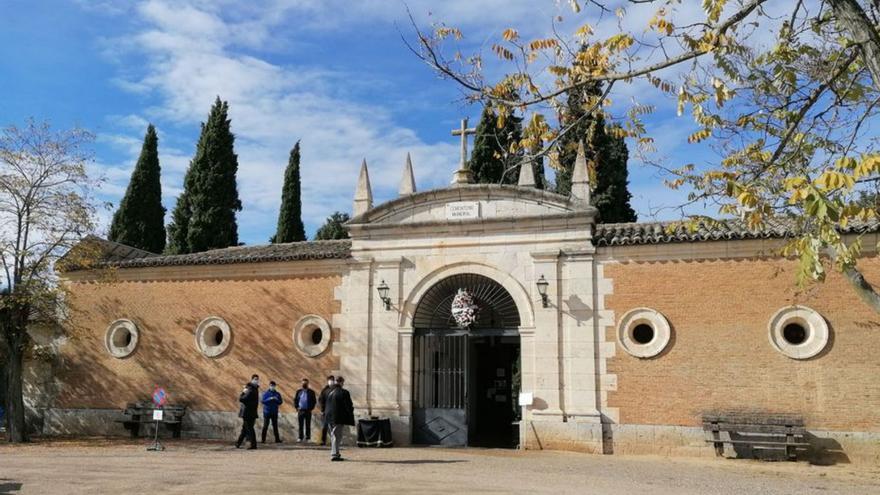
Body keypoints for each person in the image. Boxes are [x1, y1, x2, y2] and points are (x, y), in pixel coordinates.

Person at [323, 375, 354, 461]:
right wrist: (350, 413)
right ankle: (334, 454)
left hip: (328, 416)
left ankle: (335, 452)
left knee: (334, 435)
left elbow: (323, 402)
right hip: (338, 417)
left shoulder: (328, 391)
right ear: (341, 382)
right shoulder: (344, 392)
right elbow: (348, 406)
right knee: (337, 436)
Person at [236, 374, 260, 450]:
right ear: (252, 379)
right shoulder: (254, 388)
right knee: (246, 428)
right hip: (250, 412)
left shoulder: (250, 389)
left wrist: (243, 392)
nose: (256, 380)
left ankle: (252, 444)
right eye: (255, 379)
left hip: (247, 412)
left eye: (257, 379)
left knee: (248, 429)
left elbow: (242, 399)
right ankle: (238, 443)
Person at [293, 378, 317, 443]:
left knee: (308, 425)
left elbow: (314, 401)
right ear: (301, 383)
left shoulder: (311, 392)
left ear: (308, 384)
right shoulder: (298, 392)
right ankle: (300, 437)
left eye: (305, 383)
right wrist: (296, 407)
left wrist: (311, 408)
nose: (304, 384)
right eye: (303, 383)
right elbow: (295, 400)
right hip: (300, 410)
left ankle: (308, 438)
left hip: (308, 411)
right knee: (300, 425)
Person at [318, 375, 335, 446]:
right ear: (327, 381)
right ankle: (323, 440)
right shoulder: (324, 390)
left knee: (333, 427)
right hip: (325, 411)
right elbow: (321, 400)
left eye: (332, 380)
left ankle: (334, 441)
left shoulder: (335, 389)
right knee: (324, 426)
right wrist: (322, 410)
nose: (331, 381)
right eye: (329, 380)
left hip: (333, 411)